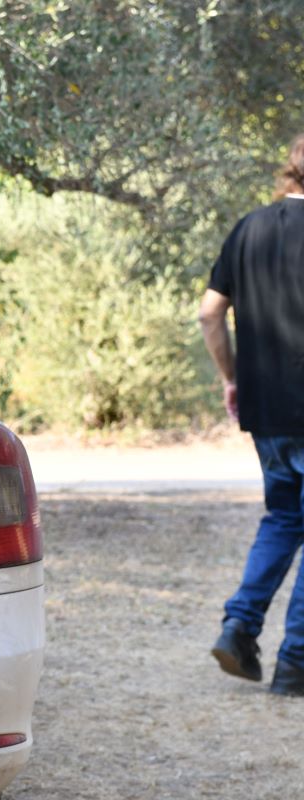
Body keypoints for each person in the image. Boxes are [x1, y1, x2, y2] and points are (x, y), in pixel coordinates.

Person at [199, 133, 304, 698]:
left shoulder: (249, 228)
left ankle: (239, 628)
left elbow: (209, 313)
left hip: (267, 409)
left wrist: (231, 377)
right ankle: (297, 661)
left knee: (285, 519)